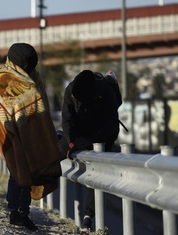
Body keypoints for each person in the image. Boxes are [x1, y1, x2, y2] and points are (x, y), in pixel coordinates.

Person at [0, 43, 62, 231]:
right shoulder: (3, 78)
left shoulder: (33, 77)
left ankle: (19, 212)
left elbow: (40, 106)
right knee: (19, 170)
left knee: (26, 170)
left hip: (32, 131)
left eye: (30, 64)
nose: (27, 67)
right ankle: (18, 212)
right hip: (10, 130)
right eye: (25, 64)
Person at [59, 69, 122, 232]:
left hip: (103, 133)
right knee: (55, 152)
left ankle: (88, 218)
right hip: (80, 130)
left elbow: (110, 125)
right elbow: (67, 119)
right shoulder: (70, 91)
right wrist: (72, 142)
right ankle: (33, 183)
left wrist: (88, 142)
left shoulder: (105, 91)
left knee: (96, 172)